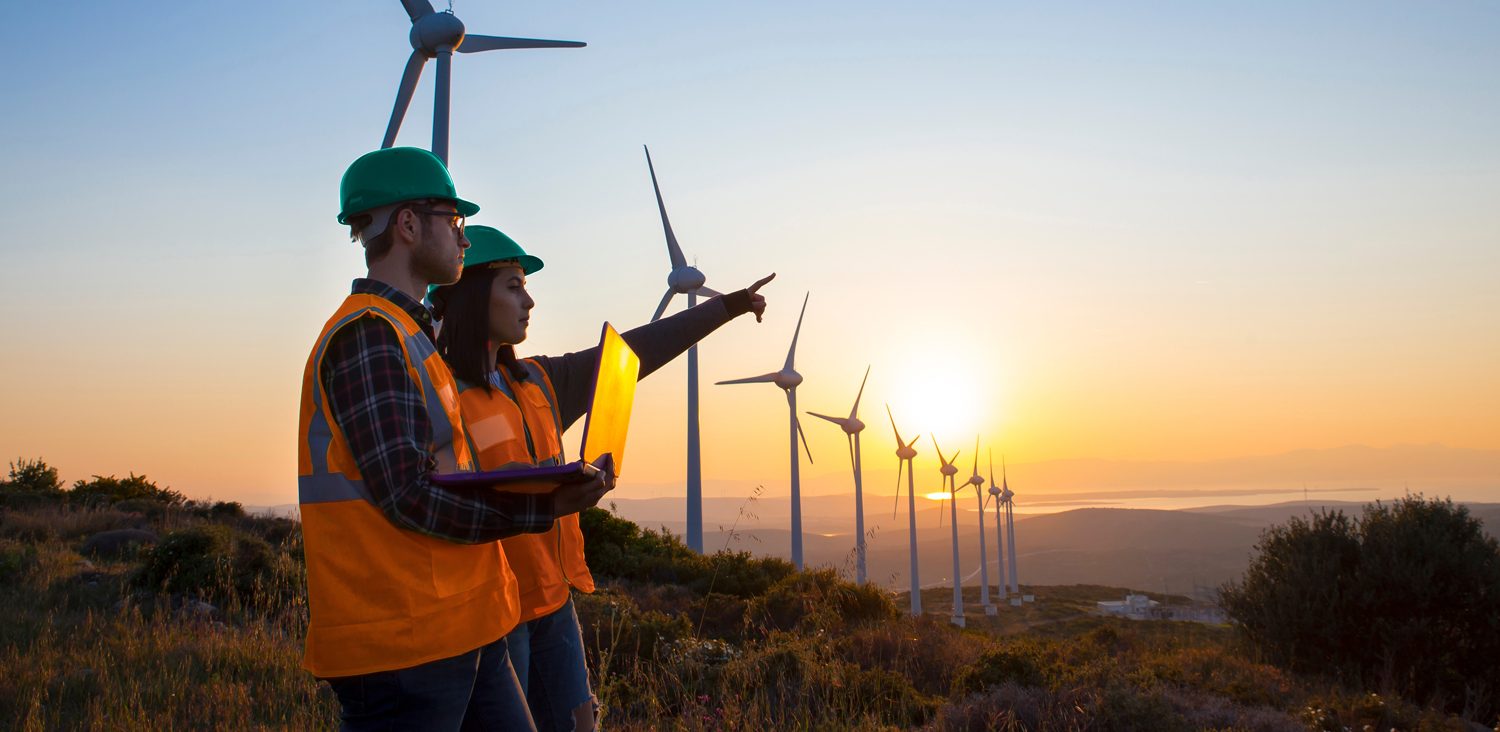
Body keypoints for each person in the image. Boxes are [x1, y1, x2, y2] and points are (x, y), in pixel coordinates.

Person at [297, 148, 615, 731]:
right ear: (409, 225)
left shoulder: (413, 338)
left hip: (467, 622)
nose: (464, 240)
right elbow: (409, 495)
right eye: (455, 221)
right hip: (403, 647)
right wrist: (541, 508)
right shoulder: (369, 336)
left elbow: (448, 474)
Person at [429, 225, 772, 732]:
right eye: (514, 285)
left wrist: (727, 306)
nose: (529, 300)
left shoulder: (540, 381)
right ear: (473, 295)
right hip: (495, 614)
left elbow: (633, 355)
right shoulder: (439, 394)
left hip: (555, 603)